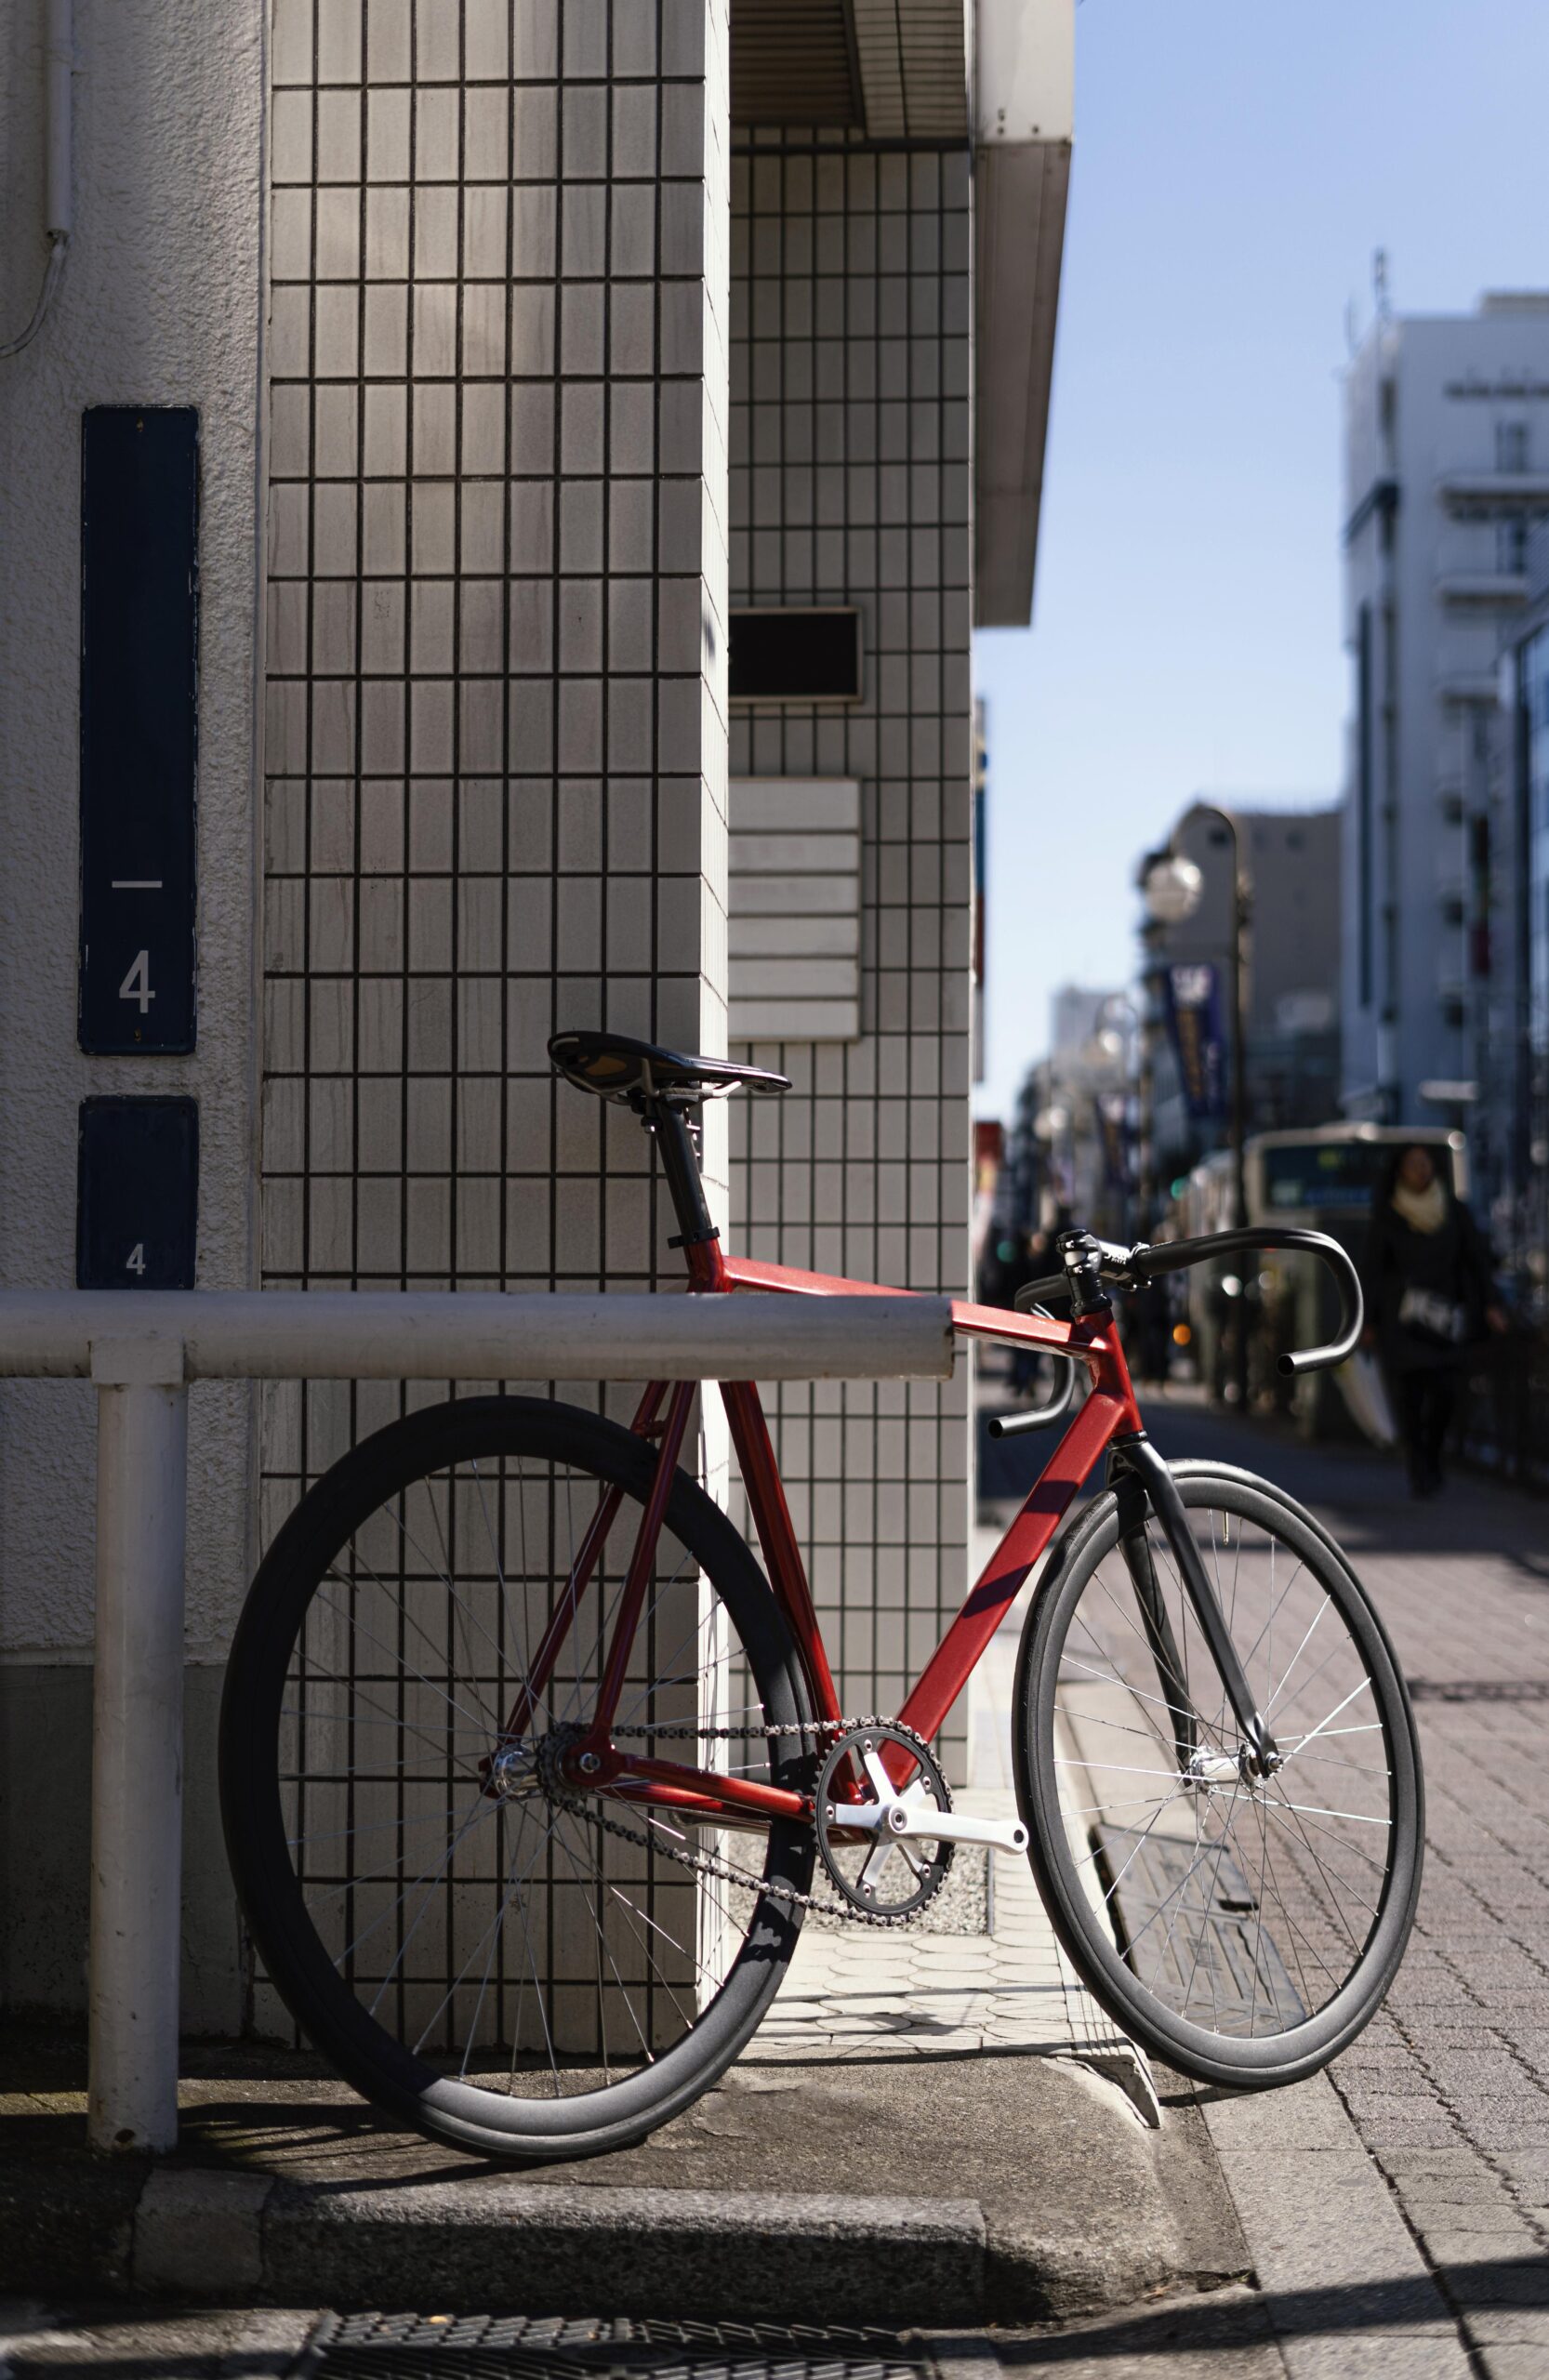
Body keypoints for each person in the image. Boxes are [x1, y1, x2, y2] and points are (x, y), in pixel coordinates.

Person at [1360, 1144, 1506, 1497]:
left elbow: (1475, 1259)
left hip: (1446, 1320)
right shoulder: (1388, 1215)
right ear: (1401, 1171)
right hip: (1402, 1323)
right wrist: (1367, 1320)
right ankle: (1418, 1468)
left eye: (1425, 1163)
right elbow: (1373, 1271)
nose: (1420, 1170)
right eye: (1413, 1164)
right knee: (1409, 1399)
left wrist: (1491, 1303)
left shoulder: (1453, 1211)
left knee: (1446, 1394)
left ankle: (1434, 1459)